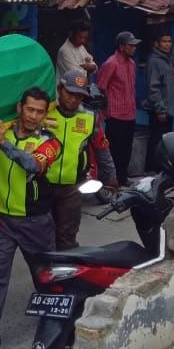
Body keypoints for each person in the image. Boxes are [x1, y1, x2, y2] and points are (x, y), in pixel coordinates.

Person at [0, 88, 61, 349]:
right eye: (30, 109)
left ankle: (52, 315)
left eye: (40, 111)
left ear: (45, 114)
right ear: (19, 108)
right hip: (2, 220)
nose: (34, 115)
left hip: (35, 221)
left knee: (43, 272)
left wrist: (5, 145)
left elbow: (33, 165)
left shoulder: (50, 141)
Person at [45, 69, 118, 251]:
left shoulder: (89, 117)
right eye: (69, 93)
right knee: (43, 238)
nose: (73, 99)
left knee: (67, 237)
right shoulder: (44, 113)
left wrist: (111, 175)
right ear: (60, 89)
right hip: (42, 186)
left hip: (73, 188)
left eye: (79, 96)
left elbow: (102, 149)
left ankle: (65, 276)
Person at [97, 31, 141, 187]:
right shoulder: (111, 63)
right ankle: (111, 180)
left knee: (126, 149)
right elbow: (101, 88)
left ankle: (122, 178)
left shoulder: (132, 64)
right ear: (122, 47)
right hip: (115, 114)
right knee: (113, 150)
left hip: (129, 112)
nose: (134, 48)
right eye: (131, 45)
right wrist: (105, 112)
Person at [143, 32, 174, 172]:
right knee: (157, 141)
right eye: (164, 41)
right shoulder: (154, 60)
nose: (167, 44)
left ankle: (161, 168)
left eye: (169, 41)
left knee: (165, 141)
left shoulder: (166, 59)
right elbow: (153, 87)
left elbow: (165, 83)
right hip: (160, 109)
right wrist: (160, 109)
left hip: (168, 107)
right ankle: (153, 170)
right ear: (157, 44)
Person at [56, 19, 97, 84]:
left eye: (85, 38)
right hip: (66, 90)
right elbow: (75, 75)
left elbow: (92, 63)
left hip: (80, 89)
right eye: (80, 37)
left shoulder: (81, 47)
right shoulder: (65, 51)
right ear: (71, 34)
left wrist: (92, 67)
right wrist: (87, 67)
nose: (83, 41)